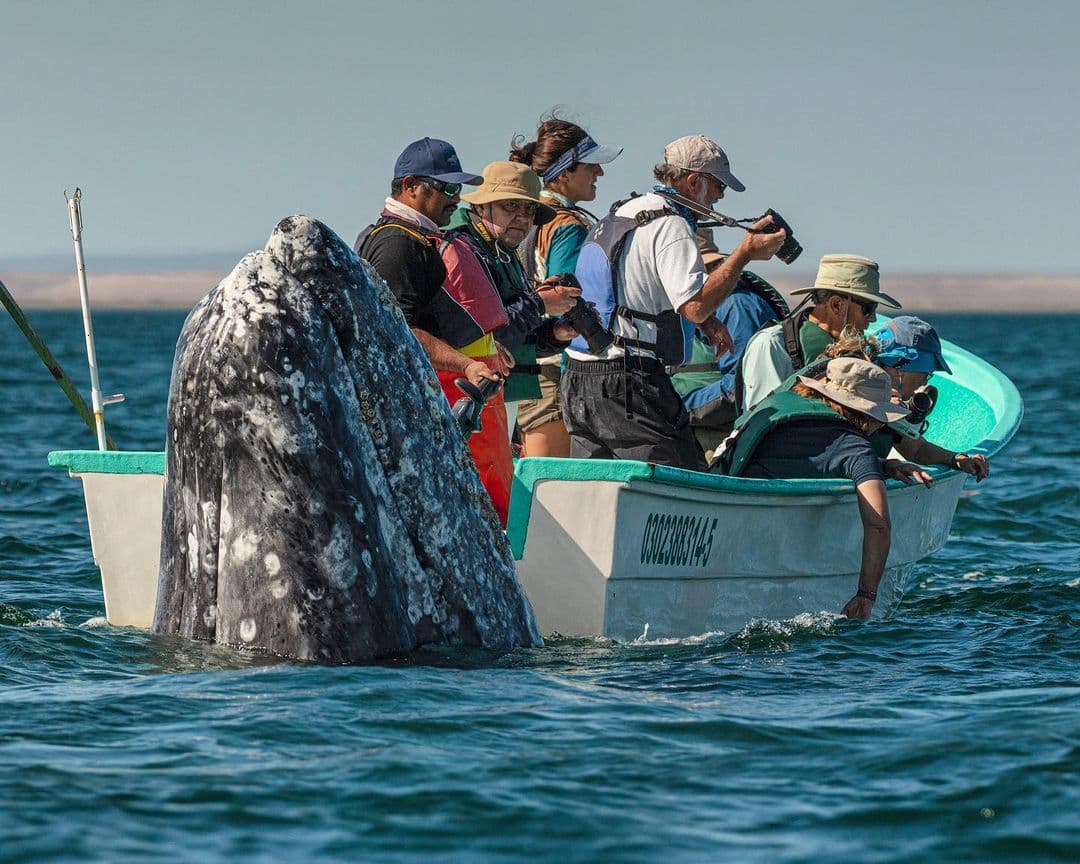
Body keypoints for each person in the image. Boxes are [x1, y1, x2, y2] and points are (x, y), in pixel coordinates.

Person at [560, 134, 786, 468]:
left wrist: (707, 323)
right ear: (695, 182)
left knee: (598, 489)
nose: (717, 202)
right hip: (629, 379)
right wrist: (744, 253)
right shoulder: (672, 224)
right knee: (687, 486)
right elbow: (693, 305)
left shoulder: (625, 211)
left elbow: (637, 286)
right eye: (719, 189)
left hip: (579, 378)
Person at [716, 357, 933, 619]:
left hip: (722, 527)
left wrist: (882, 466)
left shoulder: (781, 406)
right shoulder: (855, 447)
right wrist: (866, 595)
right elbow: (878, 524)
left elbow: (806, 455)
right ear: (867, 413)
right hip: (759, 542)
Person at [509, 118, 622, 457]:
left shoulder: (523, 219)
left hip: (524, 362)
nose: (599, 173)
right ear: (563, 174)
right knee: (551, 486)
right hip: (554, 372)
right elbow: (566, 297)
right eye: (590, 166)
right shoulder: (568, 226)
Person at [672, 229, 790, 459]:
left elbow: (740, 386)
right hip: (689, 431)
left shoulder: (738, 307)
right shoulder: (700, 308)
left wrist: (677, 408)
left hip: (718, 441)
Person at [737, 254, 902, 413]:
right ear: (837, 305)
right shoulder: (771, 344)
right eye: (868, 308)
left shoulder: (854, 351)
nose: (872, 318)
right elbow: (762, 419)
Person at [873, 316, 991, 481]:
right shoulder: (856, 390)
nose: (925, 381)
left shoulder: (887, 399)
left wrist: (957, 460)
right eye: (926, 374)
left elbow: (916, 450)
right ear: (902, 369)